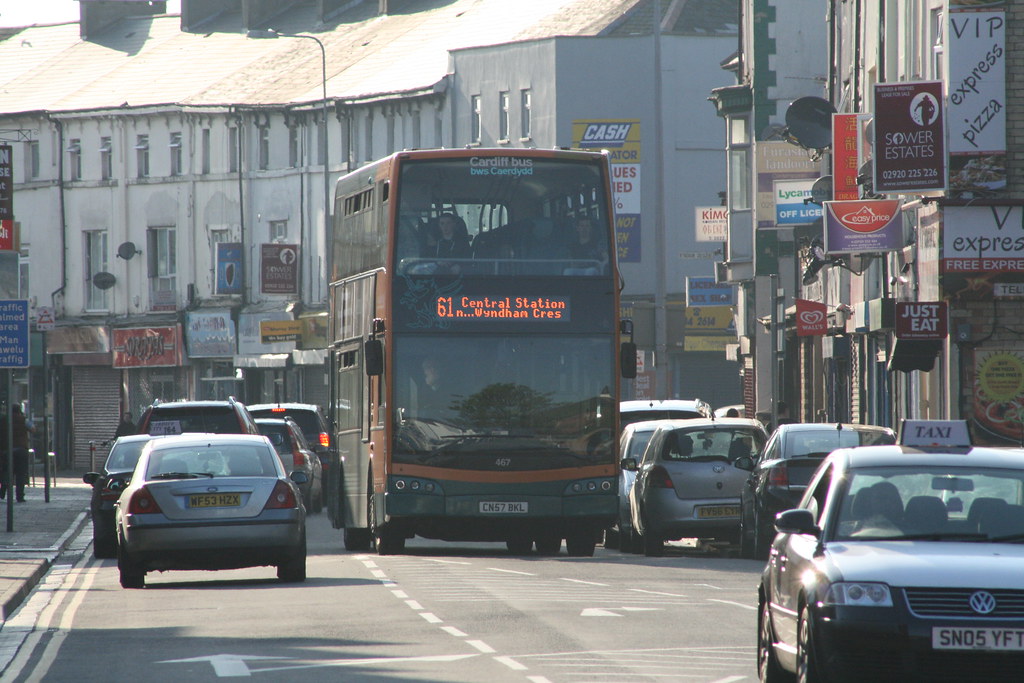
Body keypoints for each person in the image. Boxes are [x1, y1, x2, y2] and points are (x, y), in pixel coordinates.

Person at [1, 405, 34, 502]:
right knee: (20, 473)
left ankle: (2, 492)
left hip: (7, 449)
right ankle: (20, 496)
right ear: (20, 411)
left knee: (7, 472)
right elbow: (33, 429)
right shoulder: (23, 420)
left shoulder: (3, 420)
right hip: (21, 449)